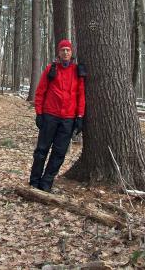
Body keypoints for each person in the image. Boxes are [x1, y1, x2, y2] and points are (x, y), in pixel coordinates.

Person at [29, 39, 86, 192]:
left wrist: (80, 116)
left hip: (68, 119)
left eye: (68, 50)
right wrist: (39, 113)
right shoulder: (51, 69)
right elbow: (40, 92)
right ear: (58, 53)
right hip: (50, 116)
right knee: (42, 150)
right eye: (63, 50)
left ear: (71, 53)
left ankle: (46, 183)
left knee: (59, 153)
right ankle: (34, 181)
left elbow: (81, 96)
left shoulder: (77, 71)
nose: (65, 52)